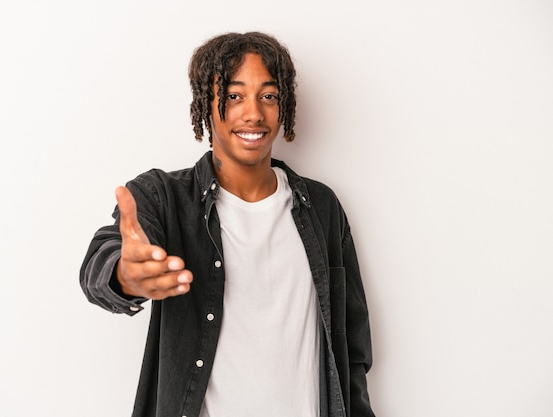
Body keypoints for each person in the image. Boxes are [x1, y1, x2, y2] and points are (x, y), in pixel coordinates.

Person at [80, 31, 375, 417]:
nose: (253, 113)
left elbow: (351, 349)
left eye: (268, 95)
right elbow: (102, 262)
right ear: (206, 103)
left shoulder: (321, 207)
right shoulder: (164, 197)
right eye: (234, 96)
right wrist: (125, 277)